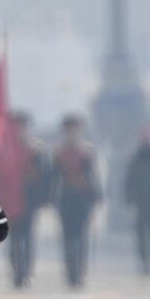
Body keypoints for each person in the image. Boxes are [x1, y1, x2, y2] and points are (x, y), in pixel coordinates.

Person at [52, 114, 102, 288]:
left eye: (75, 130)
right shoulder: (59, 153)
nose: (72, 133)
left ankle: (80, 272)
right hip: (66, 198)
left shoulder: (87, 152)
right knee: (68, 237)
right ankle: (70, 271)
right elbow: (54, 178)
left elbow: (93, 177)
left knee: (81, 236)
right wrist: (51, 198)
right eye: (69, 130)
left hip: (82, 199)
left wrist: (96, 196)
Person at [7, 111, 52, 289]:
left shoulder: (36, 151)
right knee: (13, 239)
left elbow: (45, 177)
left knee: (27, 238)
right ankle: (16, 272)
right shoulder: (6, 150)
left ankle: (26, 272)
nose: (19, 130)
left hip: (29, 201)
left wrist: (44, 199)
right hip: (11, 199)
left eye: (22, 126)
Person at [124, 128, 150, 275]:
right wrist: (130, 199)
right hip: (142, 201)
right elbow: (130, 179)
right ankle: (145, 260)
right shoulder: (136, 157)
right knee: (142, 234)